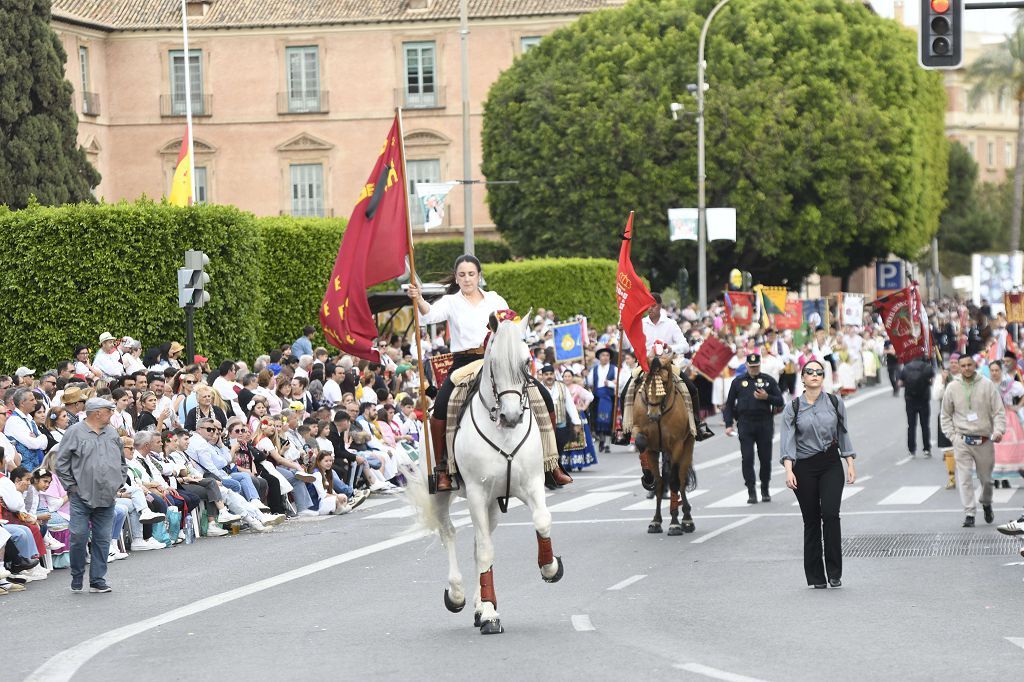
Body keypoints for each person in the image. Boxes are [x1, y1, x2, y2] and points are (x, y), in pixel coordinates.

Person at [409, 254, 569, 492]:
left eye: (471, 274)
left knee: (544, 397)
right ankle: (443, 468)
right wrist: (419, 298)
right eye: (462, 275)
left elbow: (511, 328)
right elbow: (429, 315)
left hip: (497, 360)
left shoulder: (495, 299)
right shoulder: (451, 301)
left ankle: (552, 463)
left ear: (479, 276)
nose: (467, 279)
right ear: (456, 277)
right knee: (441, 407)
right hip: (465, 362)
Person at [780, 360, 857, 589]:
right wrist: (788, 470)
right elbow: (787, 441)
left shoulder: (834, 402)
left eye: (819, 372)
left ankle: (834, 572)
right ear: (802, 378)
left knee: (831, 515)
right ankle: (816, 577)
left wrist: (850, 463)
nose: (814, 375)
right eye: (810, 372)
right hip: (804, 466)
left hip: (831, 463)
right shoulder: (792, 408)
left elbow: (843, 434)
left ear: (824, 378)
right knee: (811, 521)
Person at [55, 397, 127, 593]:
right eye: (109, 411)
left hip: (107, 496)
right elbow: (61, 463)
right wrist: (72, 487)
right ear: (97, 413)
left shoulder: (111, 432)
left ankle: (97, 580)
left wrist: (119, 480)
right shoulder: (75, 432)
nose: (112, 415)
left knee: (103, 539)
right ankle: (77, 575)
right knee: (79, 535)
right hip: (81, 495)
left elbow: (122, 460)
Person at [940, 355, 1005, 528]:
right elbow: (945, 414)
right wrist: (952, 436)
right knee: (965, 478)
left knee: (986, 479)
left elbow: (999, 411)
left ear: (975, 365)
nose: (967, 368)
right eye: (963, 365)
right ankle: (969, 513)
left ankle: (986, 503)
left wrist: (998, 431)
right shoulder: (952, 387)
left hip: (984, 440)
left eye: (969, 365)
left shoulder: (987, 385)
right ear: (959, 367)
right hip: (962, 440)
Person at [640, 293, 713, 440]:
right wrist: (622, 330)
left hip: (667, 364)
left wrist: (669, 348)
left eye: (653, 305)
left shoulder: (670, 324)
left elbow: (685, 346)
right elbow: (628, 344)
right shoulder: (641, 323)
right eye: (648, 305)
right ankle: (625, 428)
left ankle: (697, 424)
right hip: (645, 365)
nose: (650, 309)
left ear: (660, 306)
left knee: (691, 389)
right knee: (626, 390)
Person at [723, 354, 785, 504]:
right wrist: (728, 424)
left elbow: (780, 400)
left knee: (765, 459)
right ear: (746, 366)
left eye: (756, 366)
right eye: (751, 367)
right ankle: (751, 490)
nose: (754, 369)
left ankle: (765, 488)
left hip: (764, 423)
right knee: (747, 458)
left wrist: (767, 397)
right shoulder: (738, 382)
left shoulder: (768, 381)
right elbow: (729, 404)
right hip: (745, 423)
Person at [899, 355, 935, 458]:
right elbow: (932, 382)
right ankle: (927, 449)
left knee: (911, 425)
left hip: (910, 400)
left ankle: (912, 450)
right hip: (924, 399)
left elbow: (900, 383)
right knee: (925, 426)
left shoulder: (906, 368)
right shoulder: (927, 367)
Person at [586, 347, 620, 453]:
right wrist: (585, 376)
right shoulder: (594, 369)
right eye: (603, 355)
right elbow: (590, 383)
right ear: (599, 358)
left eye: (607, 356)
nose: (605, 357)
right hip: (597, 398)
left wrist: (610, 383)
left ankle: (607, 443)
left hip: (609, 398)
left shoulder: (614, 369)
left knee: (608, 420)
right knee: (597, 420)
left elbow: (619, 383)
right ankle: (601, 439)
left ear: (609, 358)